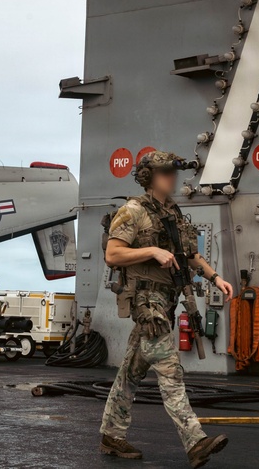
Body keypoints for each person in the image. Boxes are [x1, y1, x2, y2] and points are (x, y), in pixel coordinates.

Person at [99, 151, 234, 469]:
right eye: (164, 174)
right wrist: (152, 250)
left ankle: (111, 434)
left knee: (130, 372)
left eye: (172, 174)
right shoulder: (132, 211)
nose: (171, 179)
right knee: (170, 370)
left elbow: (189, 255)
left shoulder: (172, 214)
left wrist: (216, 278)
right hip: (148, 304)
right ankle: (194, 441)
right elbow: (112, 254)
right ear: (149, 177)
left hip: (168, 301)